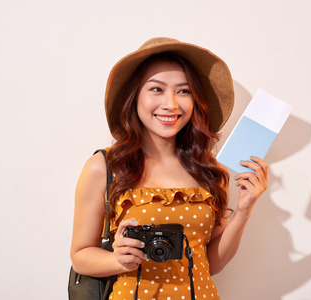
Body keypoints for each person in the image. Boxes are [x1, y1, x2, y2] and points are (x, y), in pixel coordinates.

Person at [70, 37, 268, 300]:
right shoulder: (104, 167)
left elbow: (212, 264)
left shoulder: (210, 171)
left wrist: (243, 211)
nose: (171, 104)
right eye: (156, 89)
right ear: (135, 95)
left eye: (184, 91)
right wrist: (118, 260)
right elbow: (80, 256)